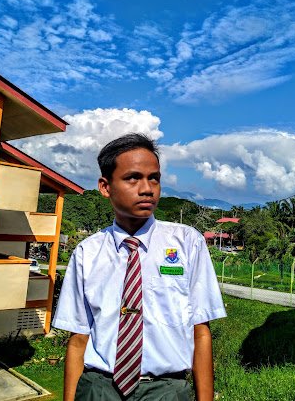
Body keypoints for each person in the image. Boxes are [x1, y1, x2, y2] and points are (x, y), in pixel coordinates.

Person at [53, 133, 226, 400]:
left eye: (154, 178)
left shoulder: (187, 243)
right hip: (99, 388)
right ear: (105, 187)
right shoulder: (88, 253)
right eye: (133, 178)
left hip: (166, 390)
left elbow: (200, 331)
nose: (147, 189)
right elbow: (78, 339)